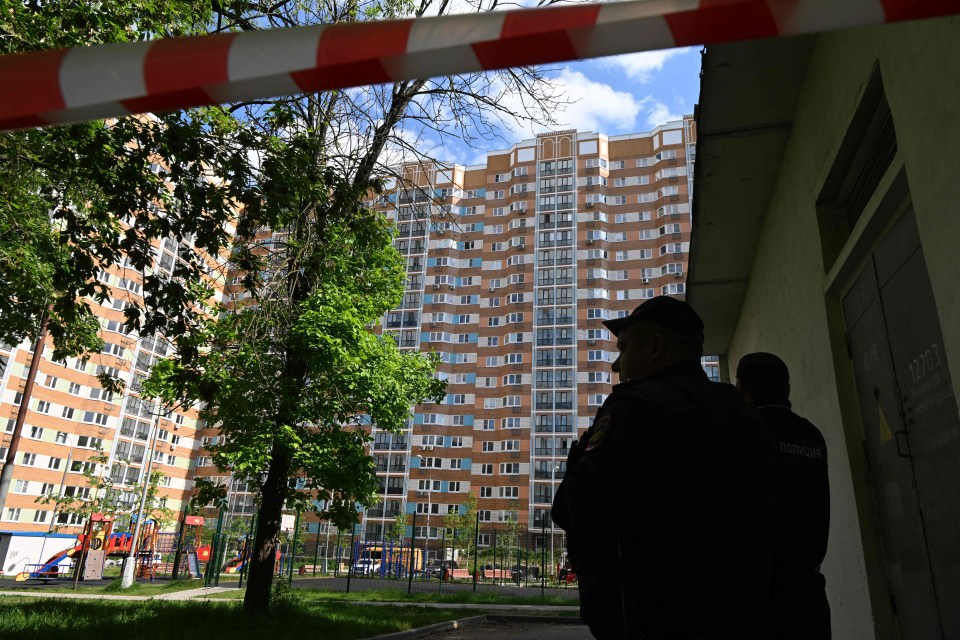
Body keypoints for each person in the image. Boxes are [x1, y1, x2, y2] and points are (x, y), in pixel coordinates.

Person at [552, 296, 776, 640]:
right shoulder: (739, 410)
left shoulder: (635, 406)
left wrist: (576, 465)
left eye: (623, 349)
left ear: (655, 347)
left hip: (656, 613)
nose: (616, 365)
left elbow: (580, 506)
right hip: (747, 610)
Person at [736, 353, 831, 640]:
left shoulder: (741, 432)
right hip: (808, 594)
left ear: (741, 388)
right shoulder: (811, 435)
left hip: (757, 596)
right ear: (787, 389)